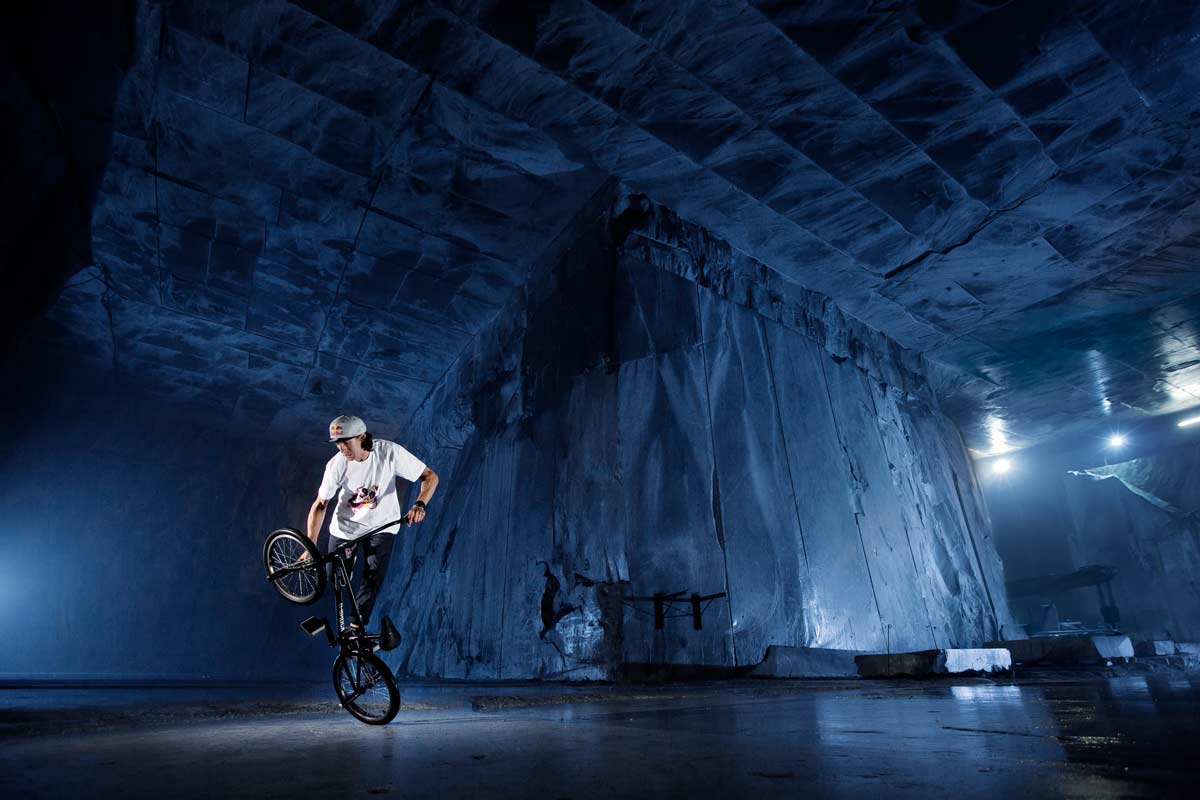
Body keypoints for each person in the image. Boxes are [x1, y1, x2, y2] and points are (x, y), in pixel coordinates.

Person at [302, 414, 438, 634]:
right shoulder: (336, 465)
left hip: (381, 526)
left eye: (346, 442)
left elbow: (430, 476)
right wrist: (309, 543)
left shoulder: (389, 452)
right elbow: (321, 504)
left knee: (373, 575)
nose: (341, 448)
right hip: (346, 528)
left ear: (361, 437)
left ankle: (356, 625)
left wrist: (420, 504)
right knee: (335, 577)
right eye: (337, 443)